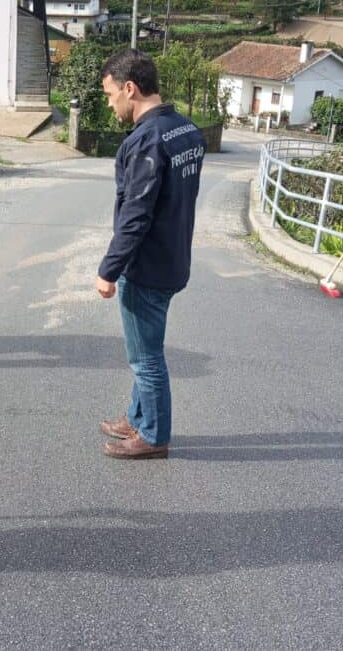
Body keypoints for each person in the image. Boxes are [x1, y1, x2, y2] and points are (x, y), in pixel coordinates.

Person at [95, 48, 206, 460]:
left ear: (130, 88)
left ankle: (154, 436)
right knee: (145, 348)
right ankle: (137, 417)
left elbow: (136, 214)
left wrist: (109, 269)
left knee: (146, 358)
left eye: (110, 96)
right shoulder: (186, 130)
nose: (110, 105)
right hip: (173, 257)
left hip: (147, 266)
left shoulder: (146, 141)